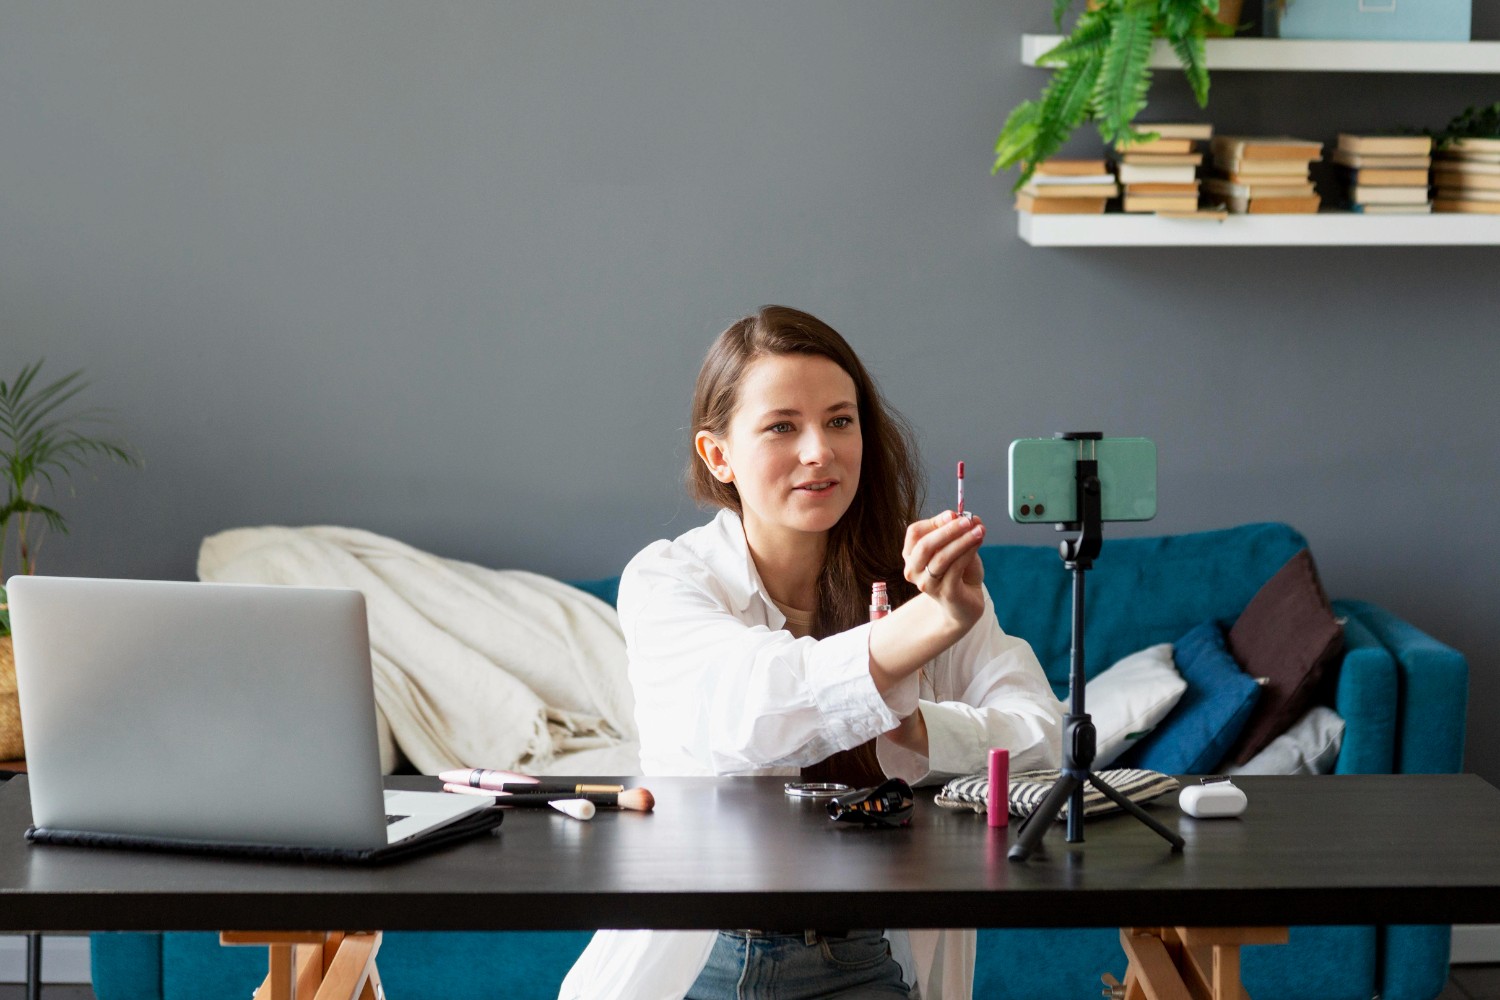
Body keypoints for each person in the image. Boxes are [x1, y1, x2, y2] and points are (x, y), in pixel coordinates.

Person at [559, 306, 1063, 1000]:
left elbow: (1041, 736)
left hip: (864, 957)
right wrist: (930, 625)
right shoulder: (668, 579)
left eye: (839, 420)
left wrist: (916, 728)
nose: (819, 450)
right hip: (706, 955)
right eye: (781, 427)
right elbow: (753, 712)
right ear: (718, 455)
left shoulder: (923, 580)